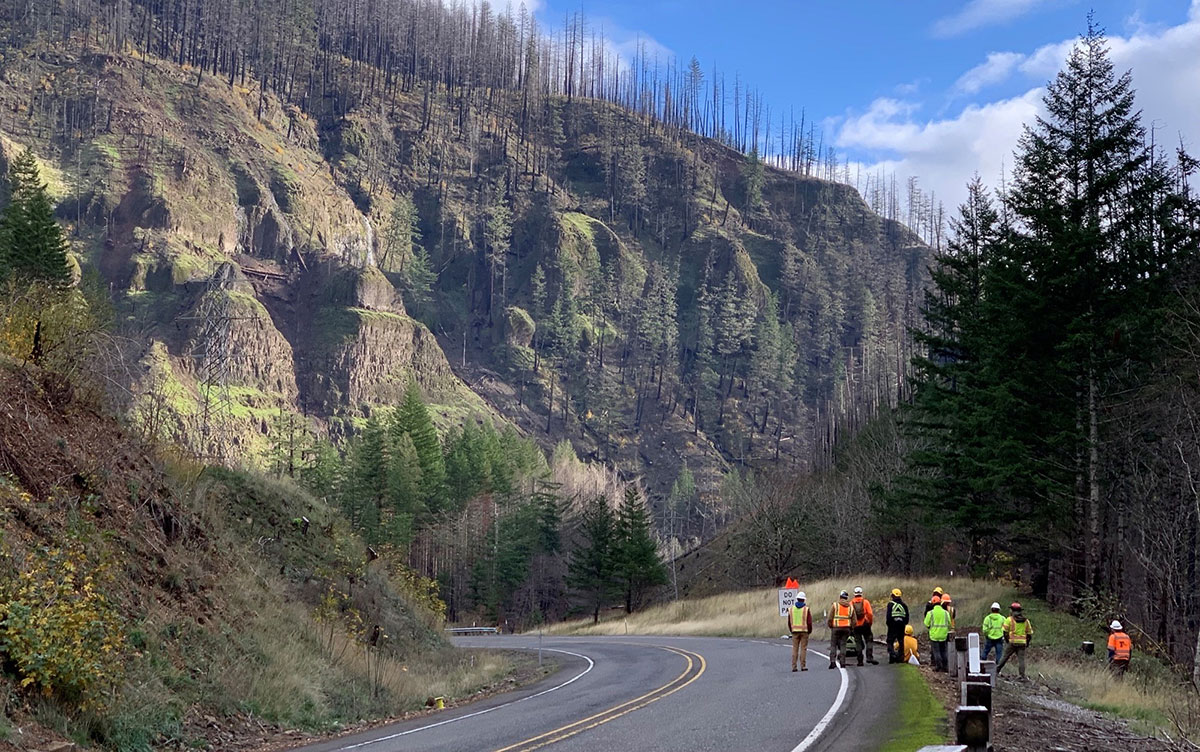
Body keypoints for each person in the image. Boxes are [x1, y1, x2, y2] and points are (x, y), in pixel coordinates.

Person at [996, 602, 1033, 679]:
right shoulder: (1026, 621)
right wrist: (1027, 642)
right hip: (1022, 643)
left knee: (1005, 657)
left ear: (1012, 611)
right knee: (1021, 660)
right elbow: (1029, 634)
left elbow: (1005, 632)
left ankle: (996, 670)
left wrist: (1007, 640)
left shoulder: (1009, 620)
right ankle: (1022, 675)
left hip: (1012, 642)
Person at [850, 586, 878, 666]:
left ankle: (860, 661)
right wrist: (869, 623)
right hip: (865, 624)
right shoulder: (865, 602)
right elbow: (870, 614)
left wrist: (852, 625)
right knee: (869, 640)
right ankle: (869, 657)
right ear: (861, 593)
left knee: (858, 642)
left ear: (854, 594)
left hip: (856, 626)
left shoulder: (851, 603)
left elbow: (850, 615)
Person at [924, 594, 951, 672]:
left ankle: (938, 666)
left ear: (933, 603)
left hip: (934, 635)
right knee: (944, 651)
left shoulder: (930, 613)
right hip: (943, 635)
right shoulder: (946, 613)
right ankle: (945, 666)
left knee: (936, 652)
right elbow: (949, 623)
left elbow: (926, 623)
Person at [828, 590, 854, 670]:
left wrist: (831, 626)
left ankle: (832, 662)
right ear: (847, 598)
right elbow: (854, 620)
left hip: (836, 628)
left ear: (840, 597)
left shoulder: (835, 606)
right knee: (843, 645)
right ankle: (843, 663)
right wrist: (851, 628)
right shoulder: (850, 607)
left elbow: (830, 618)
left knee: (833, 645)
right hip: (846, 628)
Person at [788, 591, 813, 672]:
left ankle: (794, 666)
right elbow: (809, 622)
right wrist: (809, 630)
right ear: (804, 600)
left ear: (797, 599)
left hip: (794, 631)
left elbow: (789, 622)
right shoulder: (806, 609)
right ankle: (803, 666)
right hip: (804, 632)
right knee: (803, 649)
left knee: (795, 649)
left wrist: (791, 629)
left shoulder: (791, 609)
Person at [885, 588, 909, 664]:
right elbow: (907, 617)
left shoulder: (890, 604)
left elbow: (888, 616)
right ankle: (900, 658)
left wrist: (889, 624)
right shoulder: (904, 605)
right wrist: (904, 623)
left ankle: (892, 657)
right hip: (901, 626)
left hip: (892, 625)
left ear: (893, 595)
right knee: (901, 642)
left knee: (890, 641)